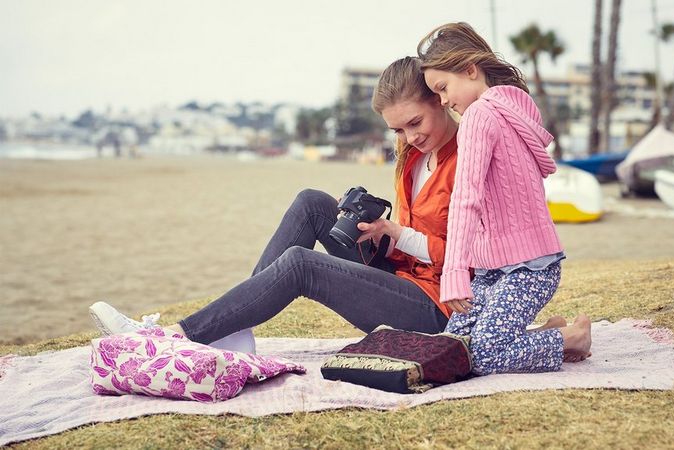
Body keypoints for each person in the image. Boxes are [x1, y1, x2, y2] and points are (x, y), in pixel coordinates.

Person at [90, 57, 462, 347]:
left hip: (437, 308)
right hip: (401, 275)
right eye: (397, 129)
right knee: (313, 203)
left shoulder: (467, 161)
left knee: (302, 265)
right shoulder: (412, 156)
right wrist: (380, 233)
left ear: (439, 99)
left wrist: (399, 233)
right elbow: (413, 236)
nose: (409, 137)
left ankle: (171, 338)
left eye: (415, 123)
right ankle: (233, 329)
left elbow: (475, 261)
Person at [416, 22, 593, 375]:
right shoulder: (512, 107)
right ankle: (547, 333)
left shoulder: (481, 114)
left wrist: (454, 274)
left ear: (469, 69)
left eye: (443, 88)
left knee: (481, 356)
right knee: (455, 350)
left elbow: (466, 197)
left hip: (528, 269)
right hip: (491, 271)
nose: (444, 101)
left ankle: (571, 339)